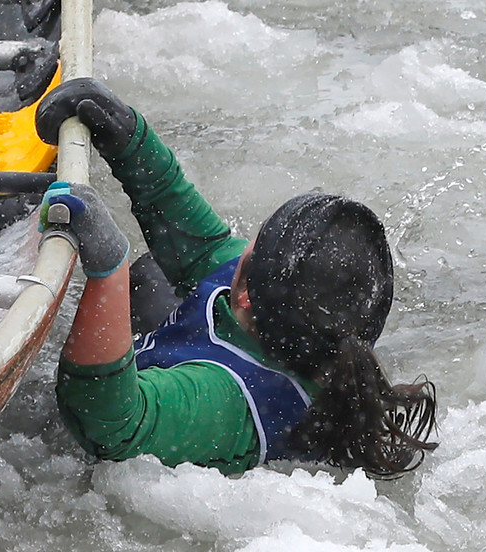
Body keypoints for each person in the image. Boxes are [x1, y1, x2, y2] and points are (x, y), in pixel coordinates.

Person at [35, 78, 438, 477]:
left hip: (137, 438)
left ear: (244, 293)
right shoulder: (290, 309)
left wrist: (108, 268)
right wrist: (126, 136)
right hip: (203, 365)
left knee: (129, 279)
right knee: (153, 273)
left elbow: (110, 425)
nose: (244, 243)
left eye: (258, 237)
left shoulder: (228, 400)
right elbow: (197, 242)